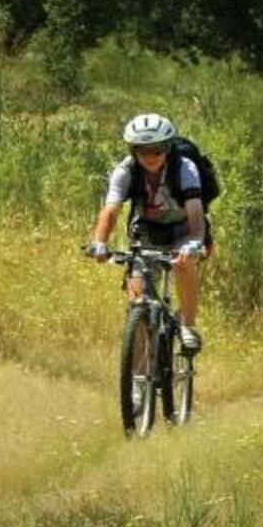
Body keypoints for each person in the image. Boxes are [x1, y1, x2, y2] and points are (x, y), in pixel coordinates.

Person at [86, 112, 210, 353]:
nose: (151, 157)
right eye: (143, 151)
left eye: (157, 150)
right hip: (147, 229)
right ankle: (139, 368)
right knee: (137, 296)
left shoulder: (184, 168)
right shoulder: (125, 170)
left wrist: (195, 241)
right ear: (133, 151)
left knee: (183, 262)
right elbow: (111, 210)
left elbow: (196, 210)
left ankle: (188, 325)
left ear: (167, 148)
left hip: (183, 227)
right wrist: (99, 242)